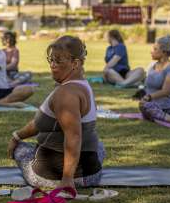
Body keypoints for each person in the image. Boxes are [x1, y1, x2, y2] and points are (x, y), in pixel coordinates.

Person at [7, 35, 105, 189]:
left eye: (58, 61)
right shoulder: (84, 85)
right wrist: (17, 135)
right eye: (51, 60)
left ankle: (67, 177)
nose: (52, 65)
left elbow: (74, 137)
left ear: (75, 63)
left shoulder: (66, 94)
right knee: (99, 146)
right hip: (92, 174)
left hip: (57, 177)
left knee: (21, 149)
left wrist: (67, 179)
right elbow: (40, 123)